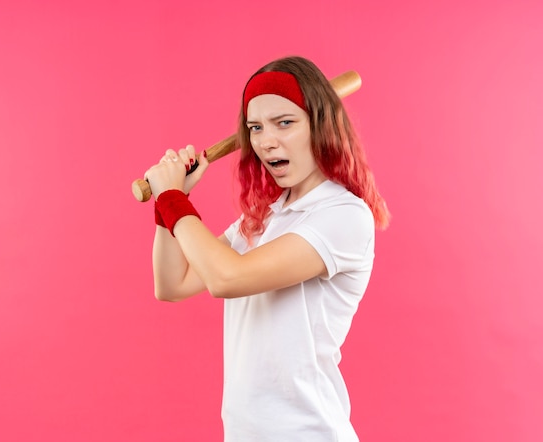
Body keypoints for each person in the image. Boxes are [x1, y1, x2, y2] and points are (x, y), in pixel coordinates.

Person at [143, 55, 390, 442]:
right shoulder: (265, 217)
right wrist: (167, 205)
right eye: (255, 127)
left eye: (285, 122)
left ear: (320, 125)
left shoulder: (343, 215)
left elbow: (227, 277)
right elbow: (173, 284)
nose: (266, 141)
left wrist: (174, 198)